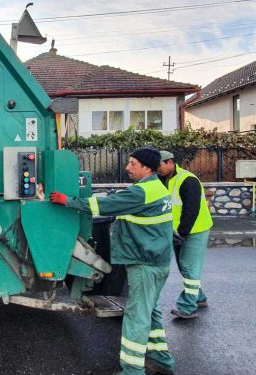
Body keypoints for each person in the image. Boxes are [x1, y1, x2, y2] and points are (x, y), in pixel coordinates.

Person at [50, 147, 175, 375]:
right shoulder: (157, 188)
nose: (128, 168)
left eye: (133, 164)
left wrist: (67, 200)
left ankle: (132, 370)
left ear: (147, 168)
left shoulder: (141, 192)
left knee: (136, 315)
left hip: (145, 263)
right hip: (158, 261)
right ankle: (161, 358)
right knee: (150, 310)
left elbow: (102, 206)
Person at [157, 151, 214, 320]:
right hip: (177, 231)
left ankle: (188, 307)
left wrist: (182, 233)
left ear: (170, 162)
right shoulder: (163, 179)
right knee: (185, 268)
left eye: (160, 165)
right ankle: (199, 297)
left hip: (195, 230)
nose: (157, 169)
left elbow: (192, 210)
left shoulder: (187, 180)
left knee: (188, 267)